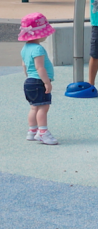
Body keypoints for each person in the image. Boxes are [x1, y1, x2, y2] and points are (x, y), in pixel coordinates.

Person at [20, 12, 58, 145]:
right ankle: (43, 132)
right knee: (43, 107)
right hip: (38, 81)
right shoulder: (38, 49)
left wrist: (28, 77)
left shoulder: (25, 48)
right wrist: (46, 82)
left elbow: (24, 65)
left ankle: (32, 131)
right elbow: (40, 68)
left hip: (29, 81)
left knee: (33, 108)